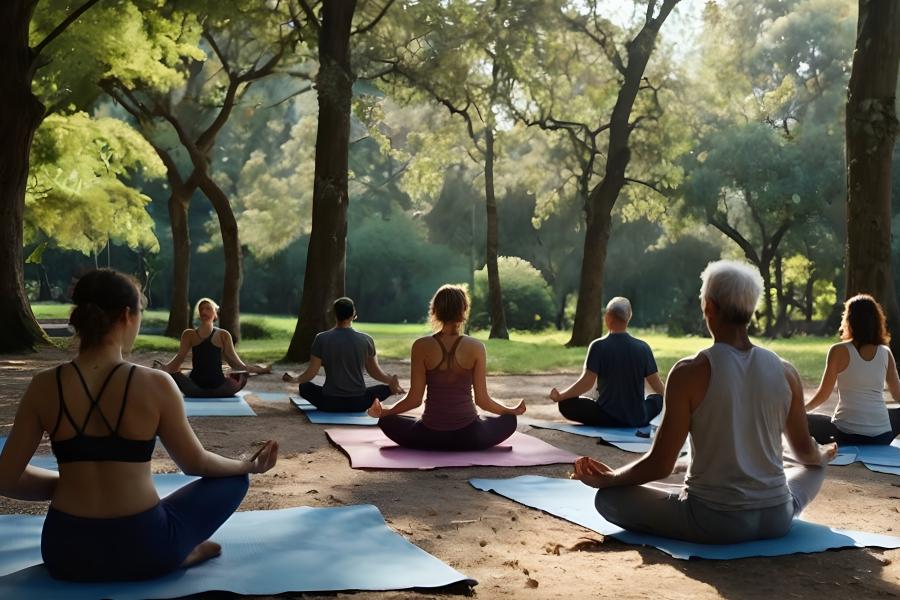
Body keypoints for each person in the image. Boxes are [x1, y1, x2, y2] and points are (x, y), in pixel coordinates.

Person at [0, 269, 278, 582]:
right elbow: (195, 463)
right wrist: (247, 466)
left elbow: (6, 478)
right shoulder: (155, 384)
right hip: (145, 546)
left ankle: (177, 552)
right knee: (235, 480)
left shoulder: (44, 386)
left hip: (65, 552)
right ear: (127, 315)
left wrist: (68, 484)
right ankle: (178, 553)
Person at [572, 261, 836, 544]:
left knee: (608, 498)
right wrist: (820, 456)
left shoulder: (689, 372)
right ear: (751, 309)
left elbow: (660, 464)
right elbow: (804, 451)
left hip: (712, 521)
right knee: (815, 467)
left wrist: (611, 479)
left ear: (708, 307)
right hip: (777, 518)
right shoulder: (786, 372)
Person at [367, 285, 526, 451]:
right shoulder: (476, 347)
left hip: (429, 437)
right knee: (509, 420)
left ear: (435, 311)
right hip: (470, 437)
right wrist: (511, 410)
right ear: (464, 310)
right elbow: (482, 401)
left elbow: (414, 400)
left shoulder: (421, 346)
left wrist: (385, 412)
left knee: (386, 421)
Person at [549, 297, 664, 428]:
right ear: (629, 318)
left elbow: (586, 383)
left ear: (607, 317)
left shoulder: (598, 346)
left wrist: (561, 396)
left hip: (605, 418)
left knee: (565, 403)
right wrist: (674, 401)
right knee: (657, 399)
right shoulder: (643, 347)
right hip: (637, 418)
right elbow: (656, 384)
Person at [805, 294, 900, 445]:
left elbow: (824, 394)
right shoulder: (885, 352)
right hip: (882, 436)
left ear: (849, 320)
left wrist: (802, 410)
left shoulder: (838, 351)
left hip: (845, 435)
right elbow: (897, 394)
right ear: (877, 321)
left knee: (806, 419)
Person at [283, 297, 404, 412]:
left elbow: (311, 373)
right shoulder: (367, 339)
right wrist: (391, 382)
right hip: (359, 403)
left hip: (329, 403)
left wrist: (295, 379)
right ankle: (391, 389)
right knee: (383, 390)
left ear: (334, 314)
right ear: (353, 314)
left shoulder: (321, 339)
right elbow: (375, 372)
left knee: (304, 387)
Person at [156, 298, 270, 398]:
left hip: (218, 385)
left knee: (241, 376)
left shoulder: (223, 335)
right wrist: (164, 369)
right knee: (176, 374)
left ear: (215, 314)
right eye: (201, 309)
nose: (204, 311)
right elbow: (179, 358)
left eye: (208, 308)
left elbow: (235, 363)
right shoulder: (189, 334)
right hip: (195, 386)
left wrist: (259, 370)